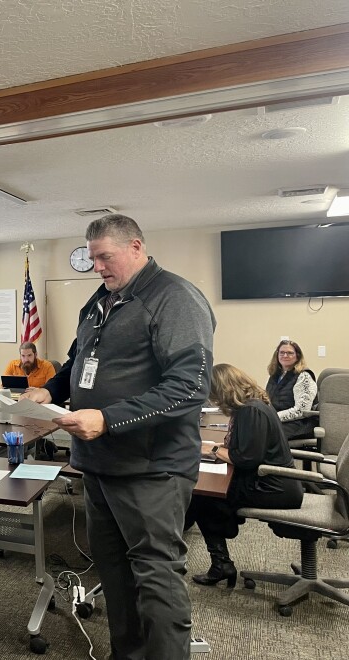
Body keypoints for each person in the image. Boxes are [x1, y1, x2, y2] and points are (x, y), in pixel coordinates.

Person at [24, 214, 215, 660]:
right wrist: (49, 389)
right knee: (112, 572)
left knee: (155, 577)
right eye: (92, 258)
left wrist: (108, 419)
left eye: (104, 257)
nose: (97, 267)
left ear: (135, 247)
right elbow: (77, 364)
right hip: (98, 465)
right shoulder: (99, 302)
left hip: (151, 468)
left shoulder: (175, 298)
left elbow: (189, 386)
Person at [185, 363, 303, 587]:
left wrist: (211, 450)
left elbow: (247, 459)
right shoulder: (251, 406)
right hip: (274, 480)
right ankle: (220, 562)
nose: (214, 400)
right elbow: (247, 448)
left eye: (214, 395)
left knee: (202, 497)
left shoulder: (251, 411)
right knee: (205, 494)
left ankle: (221, 564)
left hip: (273, 487)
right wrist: (220, 446)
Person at [264, 339, 319, 441]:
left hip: (299, 423)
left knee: (264, 435)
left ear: (297, 356)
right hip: (277, 420)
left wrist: (273, 417)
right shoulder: (275, 375)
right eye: (282, 353)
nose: (285, 356)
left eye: (290, 353)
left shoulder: (304, 376)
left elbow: (302, 411)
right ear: (277, 355)